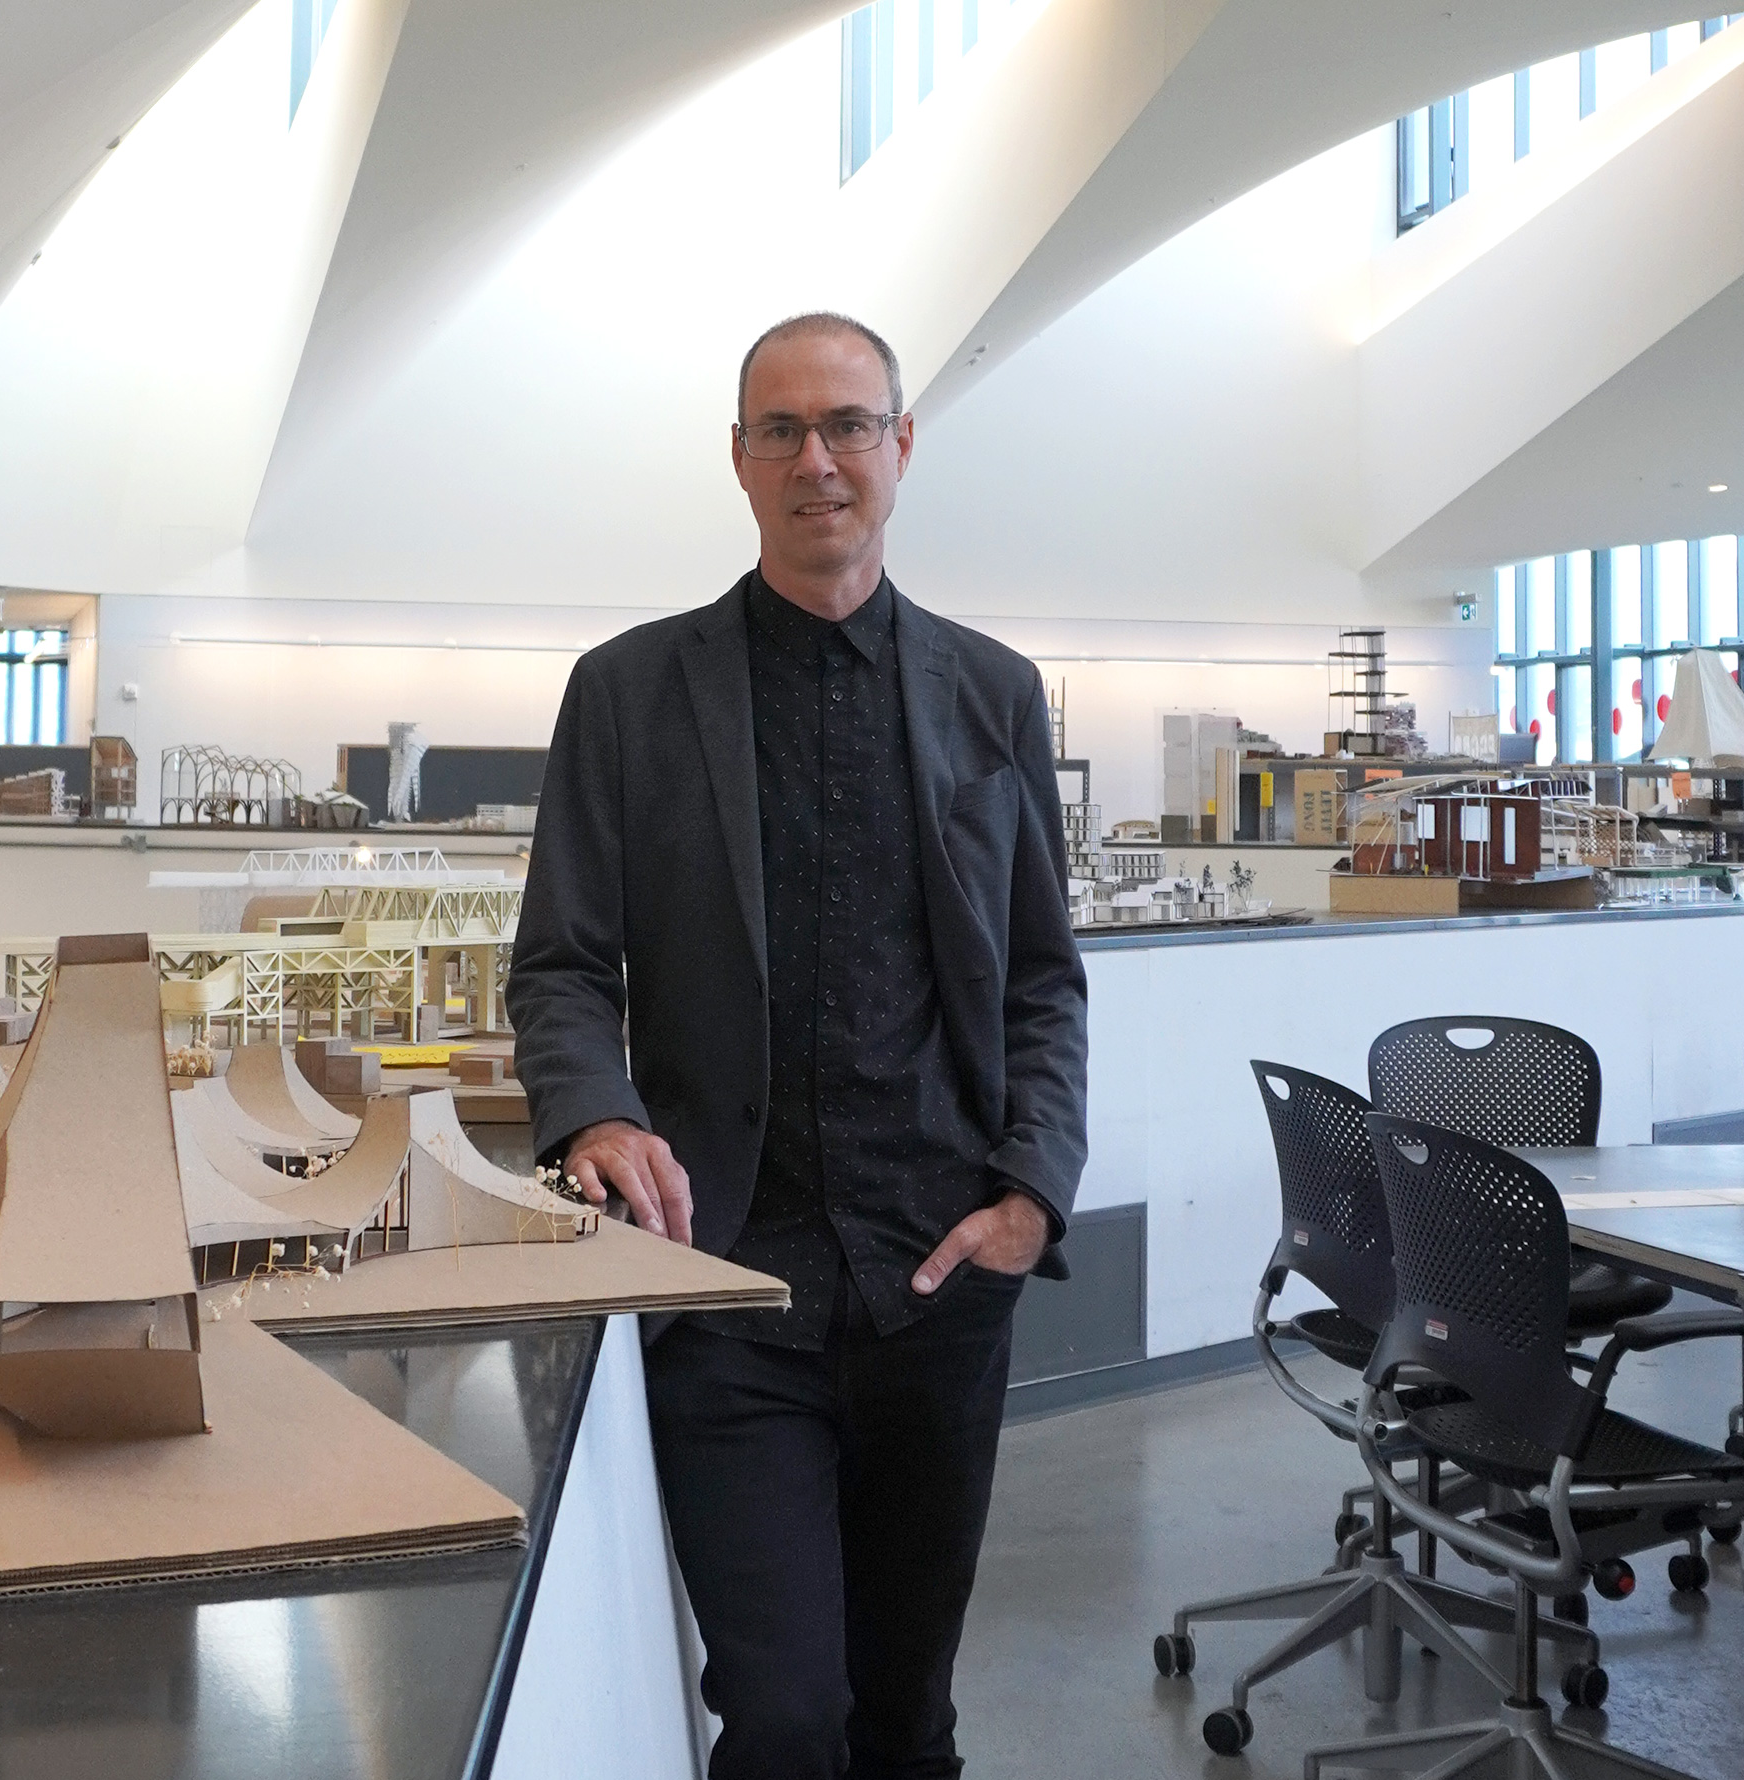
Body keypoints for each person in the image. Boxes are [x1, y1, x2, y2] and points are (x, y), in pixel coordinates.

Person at [507, 311, 1088, 1779]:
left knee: (909, 1720)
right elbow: (564, 965)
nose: (816, 460)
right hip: (729, 1287)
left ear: (901, 447)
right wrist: (592, 1118)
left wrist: (1033, 1190)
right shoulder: (630, 694)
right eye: (782, 431)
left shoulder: (996, 695)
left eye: (847, 426)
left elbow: (1041, 981)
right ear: (740, 460)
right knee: (780, 1718)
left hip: (939, 1285)